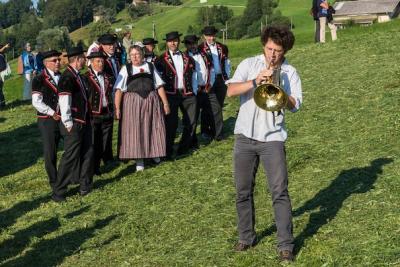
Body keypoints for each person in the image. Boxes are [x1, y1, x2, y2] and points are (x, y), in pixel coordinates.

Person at [226, 26, 302, 262]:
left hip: (273, 138)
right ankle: (246, 237)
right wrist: (254, 81)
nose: (273, 54)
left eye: (278, 50)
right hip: (245, 137)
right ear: (264, 46)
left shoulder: (290, 72)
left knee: (279, 192)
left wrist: (281, 92)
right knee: (242, 191)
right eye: (269, 48)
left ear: (285, 50)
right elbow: (230, 91)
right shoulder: (249, 64)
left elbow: (296, 105)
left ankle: (285, 245)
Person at [114, 44, 170, 171]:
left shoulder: (150, 66)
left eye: (137, 54)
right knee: (136, 130)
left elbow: (159, 86)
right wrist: (117, 108)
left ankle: (155, 153)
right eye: (132, 55)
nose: (134, 57)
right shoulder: (126, 69)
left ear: (142, 55)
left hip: (151, 101)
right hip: (132, 104)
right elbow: (119, 90)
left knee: (154, 127)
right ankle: (139, 159)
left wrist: (165, 103)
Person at [55, 46, 94, 202]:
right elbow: (64, 101)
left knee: (88, 152)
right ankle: (58, 191)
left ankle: (84, 185)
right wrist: (68, 122)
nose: (85, 60)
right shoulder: (67, 77)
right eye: (83, 58)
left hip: (83, 120)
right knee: (70, 157)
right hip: (74, 123)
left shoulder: (77, 76)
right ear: (78, 59)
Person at [155, 31, 198, 159]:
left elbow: (194, 76)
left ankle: (183, 148)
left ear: (179, 41)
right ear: (167, 43)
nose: (173, 43)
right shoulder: (160, 60)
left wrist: (194, 91)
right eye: (170, 41)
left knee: (191, 121)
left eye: (175, 40)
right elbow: (157, 81)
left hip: (188, 93)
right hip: (170, 94)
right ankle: (167, 151)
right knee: (171, 124)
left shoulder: (188, 58)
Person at [31, 50, 63, 197]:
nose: (58, 63)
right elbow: (36, 102)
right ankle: (55, 184)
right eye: (54, 60)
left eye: (59, 60)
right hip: (47, 121)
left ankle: (70, 177)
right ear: (46, 63)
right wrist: (52, 113)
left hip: (63, 118)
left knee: (72, 146)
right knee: (50, 153)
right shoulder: (39, 79)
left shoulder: (63, 77)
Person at [183, 34, 223, 143]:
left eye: (194, 43)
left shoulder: (205, 54)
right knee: (193, 117)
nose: (193, 46)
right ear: (186, 45)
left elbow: (212, 70)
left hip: (207, 88)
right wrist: (195, 89)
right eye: (190, 44)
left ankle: (217, 135)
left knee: (216, 109)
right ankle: (192, 141)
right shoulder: (184, 57)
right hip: (194, 91)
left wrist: (210, 84)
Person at [198, 25, 230, 139]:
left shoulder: (223, 47)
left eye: (212, 35)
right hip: (208, 80)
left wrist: (227, 78)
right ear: (204, 36)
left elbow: (226, 62)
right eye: (208, 36)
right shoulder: (200, 48)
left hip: (221, 78)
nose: (210, 38)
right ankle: (214, 132)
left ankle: (212, 129)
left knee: (219, 105)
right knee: (209, 106)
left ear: (215, 35)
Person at [85, 51, 114, 175]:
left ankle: (103, 162)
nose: (101, 63)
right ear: (91, 63)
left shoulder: (108, 76)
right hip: (94, 115)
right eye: (98, 61)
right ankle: (94, 168)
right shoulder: (86, 78)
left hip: (106, 112)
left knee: (105, 140)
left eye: (102, 61)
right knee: (94, 142)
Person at [0, 43, 10, 108]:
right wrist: (5, 47)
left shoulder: (1, 55)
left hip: (1, 73)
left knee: (0, 89)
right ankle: (2, 104)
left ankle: (2, 104)